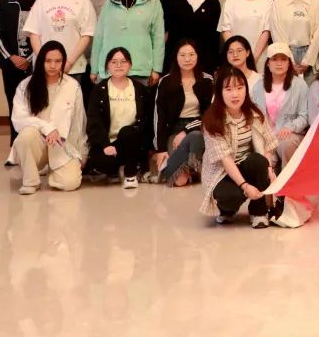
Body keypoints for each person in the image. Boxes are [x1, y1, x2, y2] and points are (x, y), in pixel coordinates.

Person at [200, 66, 278, 228]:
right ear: (219, 92)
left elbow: (267, 146)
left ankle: (259, 212)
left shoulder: (255, 113)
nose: (235, 94)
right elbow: (226, 160)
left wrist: (269, 170)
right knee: (229, 196)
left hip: (247, 165)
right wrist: (245, 186)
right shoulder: (212, 121)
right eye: (228, 89)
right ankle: (227, 210)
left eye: (239, 88)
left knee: (259, 162)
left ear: (246, 89)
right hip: (221, 173)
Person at [10, 41, 86, 194]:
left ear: (63, 62)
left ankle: (53, 168)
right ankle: (31, 181)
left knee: (69, 183)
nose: (53, 65)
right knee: (25, 135)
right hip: (36, 144)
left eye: (58, 61)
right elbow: (19, 119)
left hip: (61, 145)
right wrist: (47, 128)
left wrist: (82, 154)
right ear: (41, 61)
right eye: (48, 61)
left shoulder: (72, 86)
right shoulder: (26, 86)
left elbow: (79, 124)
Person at [23, 0, 96, 100]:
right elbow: (34, 33)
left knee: (70, 105)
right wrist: (44, 61)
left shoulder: (83, 2)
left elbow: (86, 35)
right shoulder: (42, 0)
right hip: (44, 68)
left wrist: (68, 62)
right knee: (43, 104)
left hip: (73, 67)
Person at [90, 0, 166, 86]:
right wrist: (94, 68)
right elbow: (99, 35)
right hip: (110, 68)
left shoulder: (153, 1)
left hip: (140, 69)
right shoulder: (110, 0)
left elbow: (158, 38)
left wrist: (157, 69)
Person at [85, 47, 152, 189]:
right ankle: (118, 167)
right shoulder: (99, 90)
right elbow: (94, 121)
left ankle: (130, 175)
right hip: (109, 143)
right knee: (101, 165)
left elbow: (146, 120)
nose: (118, 65)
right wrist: (105, 144)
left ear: (130, 65)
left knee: (128, 132)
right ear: (107, 66)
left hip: (133, 140)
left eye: (123, 61)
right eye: (114, 62)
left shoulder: (139, 89)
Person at [153, 39, 214, 186]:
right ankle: (194, 168)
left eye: (191, 54)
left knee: (196, 136)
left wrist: (186, 131)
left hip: (200, 127)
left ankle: (193, 167)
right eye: (182, 55)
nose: (187, 59)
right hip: (174, 131)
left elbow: (209, 114)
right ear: (176, 57)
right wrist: (160, 149)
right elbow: (159, 117)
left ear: (197, 56)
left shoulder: (207, 80)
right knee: (179, 181)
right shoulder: (166, 82)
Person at [0, 0, 39, 153]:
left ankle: (35, 146)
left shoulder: (43, 1)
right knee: (14, 103)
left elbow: (45, 33)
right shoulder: (6, 2)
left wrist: (29, 58)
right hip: (10, 64)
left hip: (36, 63)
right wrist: (12, 57)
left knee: (36, 103)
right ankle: (16, 146)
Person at [249, 43, 309, 169]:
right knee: (262, 163)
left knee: (287, 144)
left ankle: (289, 178)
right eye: (274, 59)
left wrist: (290, 127)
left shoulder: (300, 85)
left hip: (290, 134)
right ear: (268, 63)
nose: (279, 63)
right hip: (266, 136)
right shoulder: (258, 87)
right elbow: (255, 117)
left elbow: (305, 116)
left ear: (289, 63)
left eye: (283, 59)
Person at [163, 0, 222, 74]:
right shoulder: (173, 1)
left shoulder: (213, 4)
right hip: (176, 60)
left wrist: (215, 64)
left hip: (205, 61)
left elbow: (215, 38)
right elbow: (166, 32)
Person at [218, 0, 274, 64]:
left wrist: (252, 59)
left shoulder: (268, 2)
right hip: (235, 58)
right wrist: (237, 54)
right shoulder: (231, 1)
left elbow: (266, 32)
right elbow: (225, 29)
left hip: (260, 58)